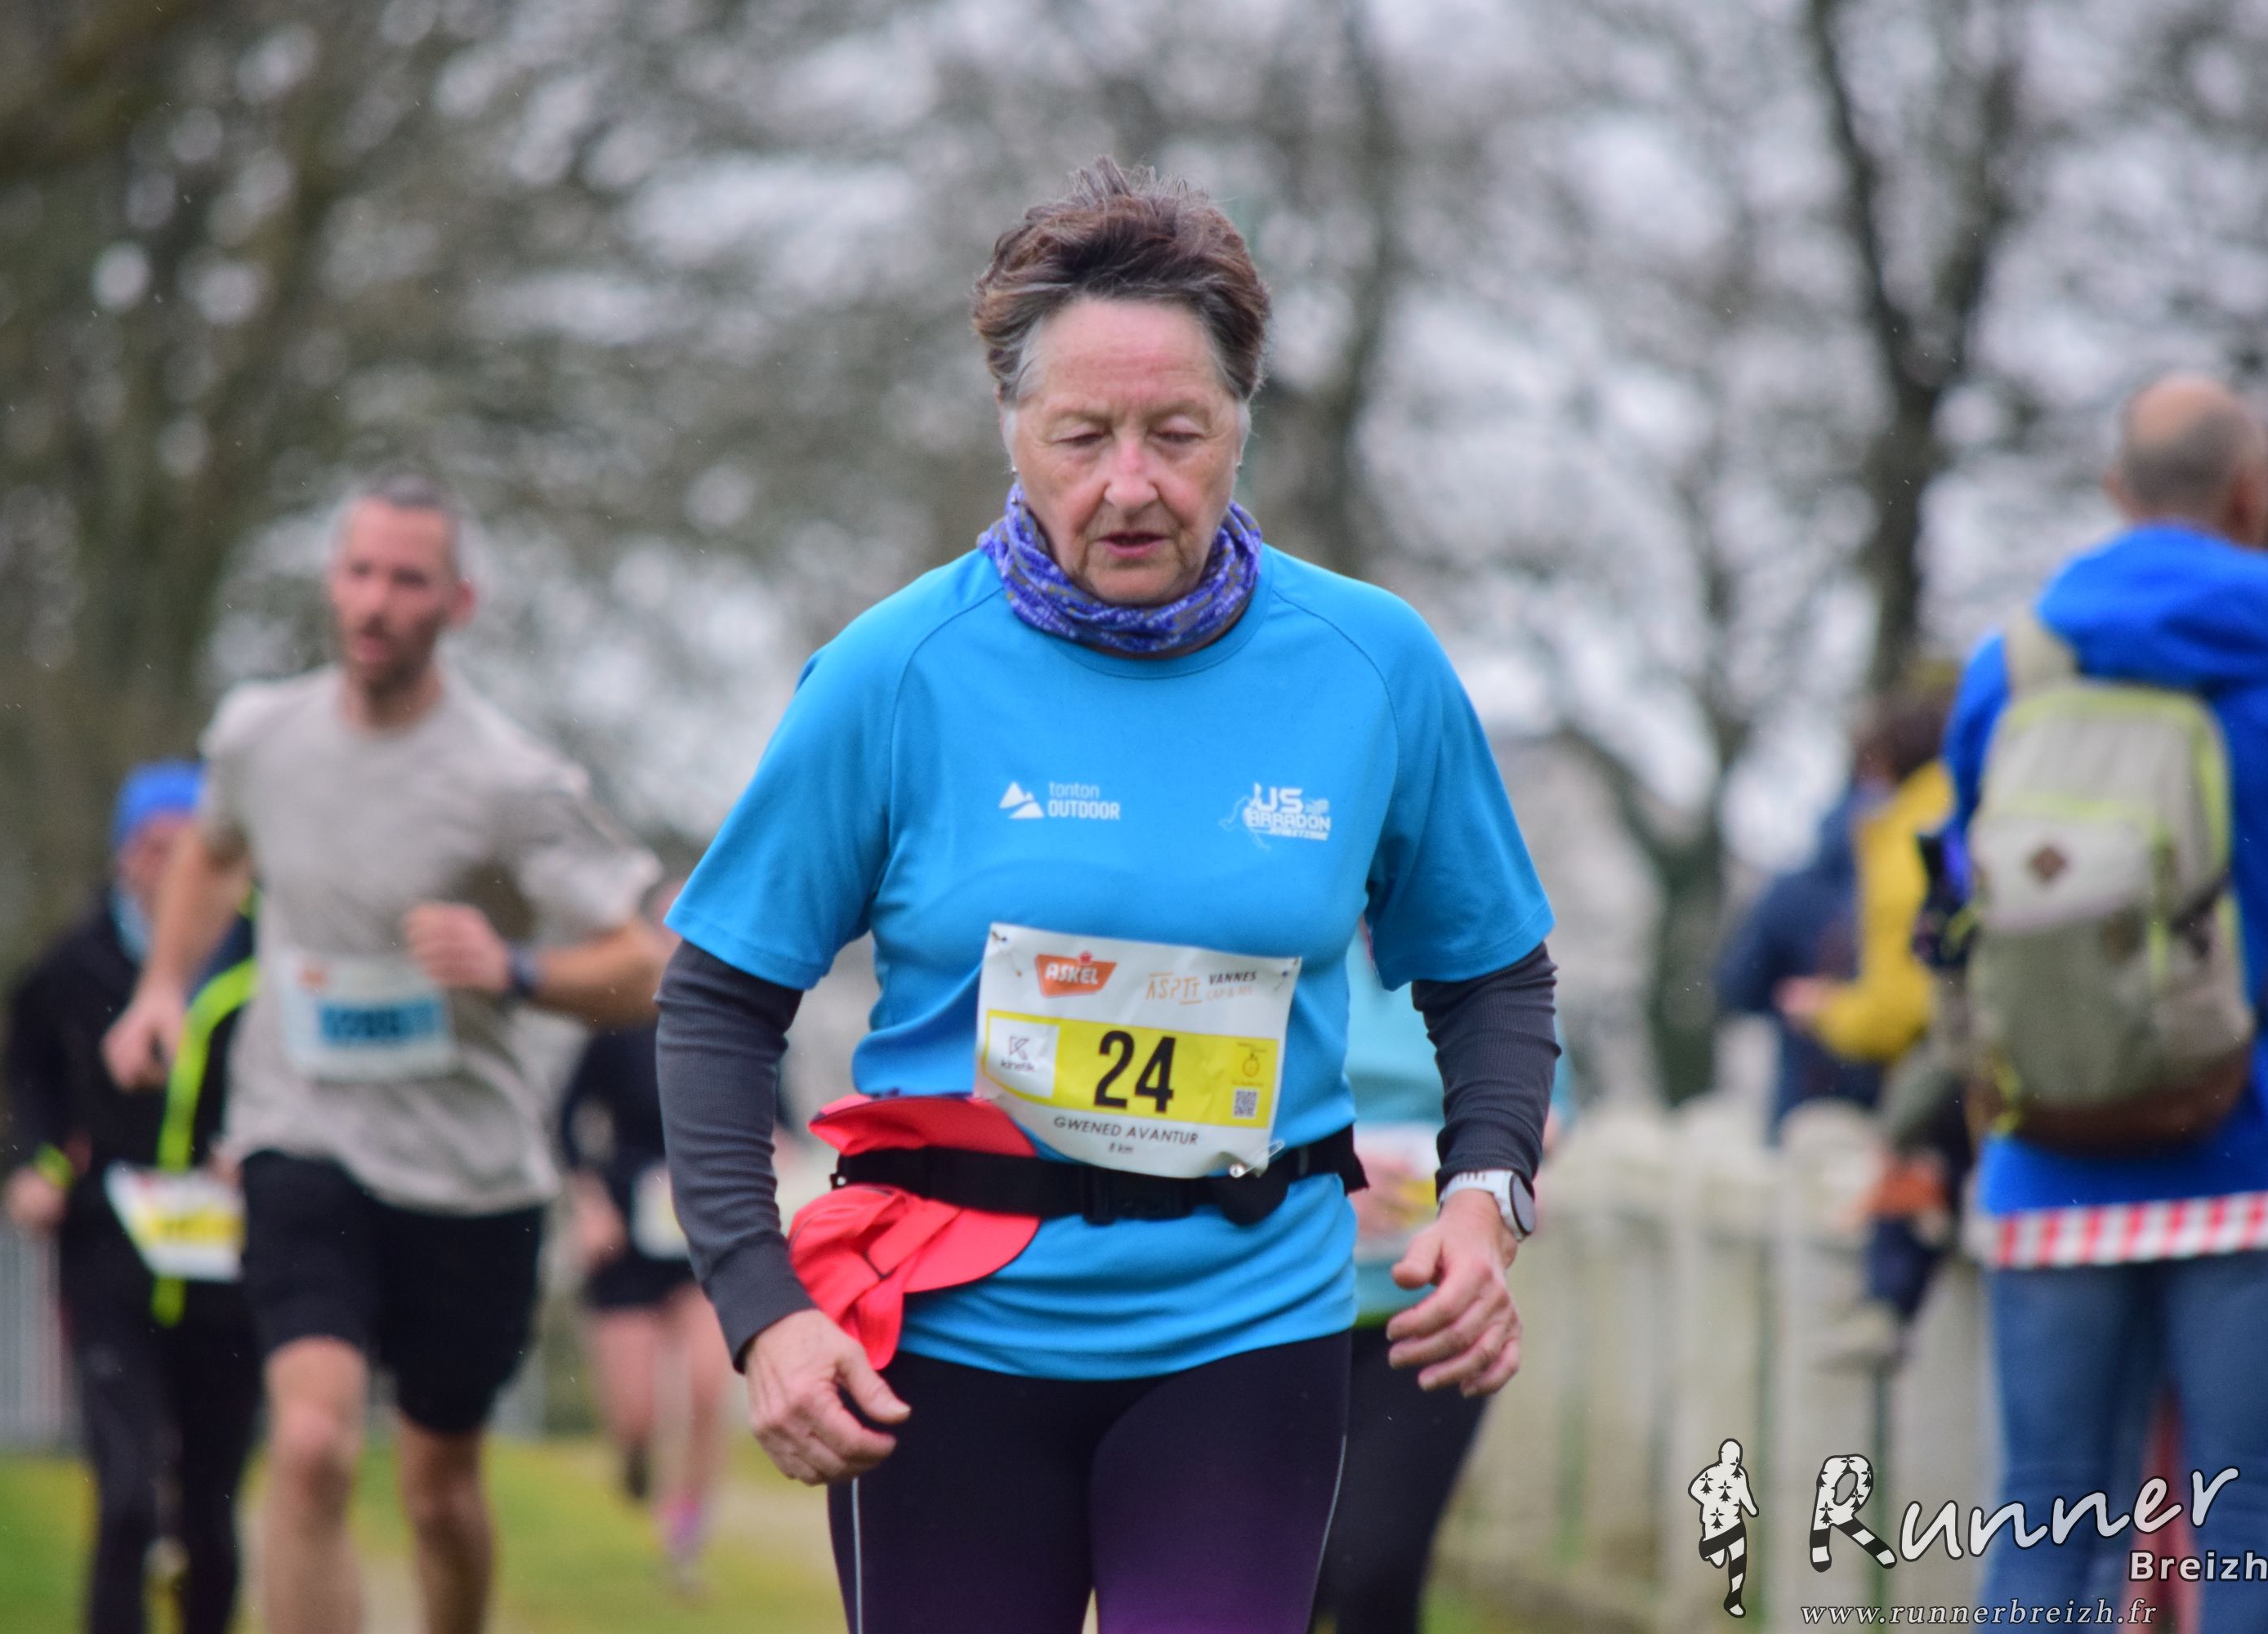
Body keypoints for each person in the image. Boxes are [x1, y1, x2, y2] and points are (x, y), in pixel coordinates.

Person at [656, 159, 1560, 1634]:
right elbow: (716, 1000)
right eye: (1081, 437)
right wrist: (764, 1311)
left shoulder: (1370, 666)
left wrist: (1485, 1195)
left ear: (1241, 423)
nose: (1129, 485)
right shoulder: (894, 673)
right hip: (945, 1339)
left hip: (1246, 1327)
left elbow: (1493, 973)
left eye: (1176, 434)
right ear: (1012, 429)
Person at [100, 475, 666, 1634]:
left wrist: (514, 966)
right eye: (359, 572)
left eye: (408, 579)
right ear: (331, 581)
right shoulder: (260, 735)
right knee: (310, 1444)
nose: (375, 601)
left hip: (467, 1172)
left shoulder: (510, 779)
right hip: (299, 1132)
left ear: (458, 602)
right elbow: (213, 851)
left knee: (438, 1490)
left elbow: (647, 964)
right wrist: (162, 988)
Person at [1944, 374, 2268, 1630]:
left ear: (2115, 492)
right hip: (2260, 1156)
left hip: (2051, 1157)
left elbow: (1968, 884)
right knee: (2249, 1523)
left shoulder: (2014, 666)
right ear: (2260, 496)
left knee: (2049, 1521)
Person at [2, 763, 261, 1634]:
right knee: (126, 1495)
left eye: (189, 847)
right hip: (109, 1252)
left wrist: (261, 1151)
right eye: (152, 847)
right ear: (121, 855)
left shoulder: (266, 961)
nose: (169, 865)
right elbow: (29, 1073)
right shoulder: (71, 963)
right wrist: (39, 1163)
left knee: (211, 1515)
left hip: (232, 1262)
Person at [1315, 930, 1574, 1634]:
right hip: (1283, 1307)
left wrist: (1486, 1187)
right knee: (1288, 1575)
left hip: (1431, 1314)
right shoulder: (1289, 925)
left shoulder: (1478, 942)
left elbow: (1544, 1101)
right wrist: (1325, 1175)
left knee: (1376, 1566)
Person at [1776, 688, 1962, 1361]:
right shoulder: (1976, 807)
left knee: (1906, 1129)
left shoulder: (1905, 837)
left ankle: (1887, 1303)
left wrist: (1827, 1011)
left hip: (1948, 1069)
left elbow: (1901, 1009)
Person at [558, 888, 730, 1591]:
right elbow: (566, 1123)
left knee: (708, 1386)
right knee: (636, 1416)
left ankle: (686, 1536)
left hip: (705, 1232)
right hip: (626, 1237)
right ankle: (634, 1460)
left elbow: (777, 1120)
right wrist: (589, 1203)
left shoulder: (738, 1022)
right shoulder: (618, 1024)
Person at [1716, 783, 1882, 1133]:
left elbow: (1739, 987)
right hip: (1898, 1107)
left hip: (1806, 1101)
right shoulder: (1909, 882)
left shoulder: (1791, 892)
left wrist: (1795, 999)